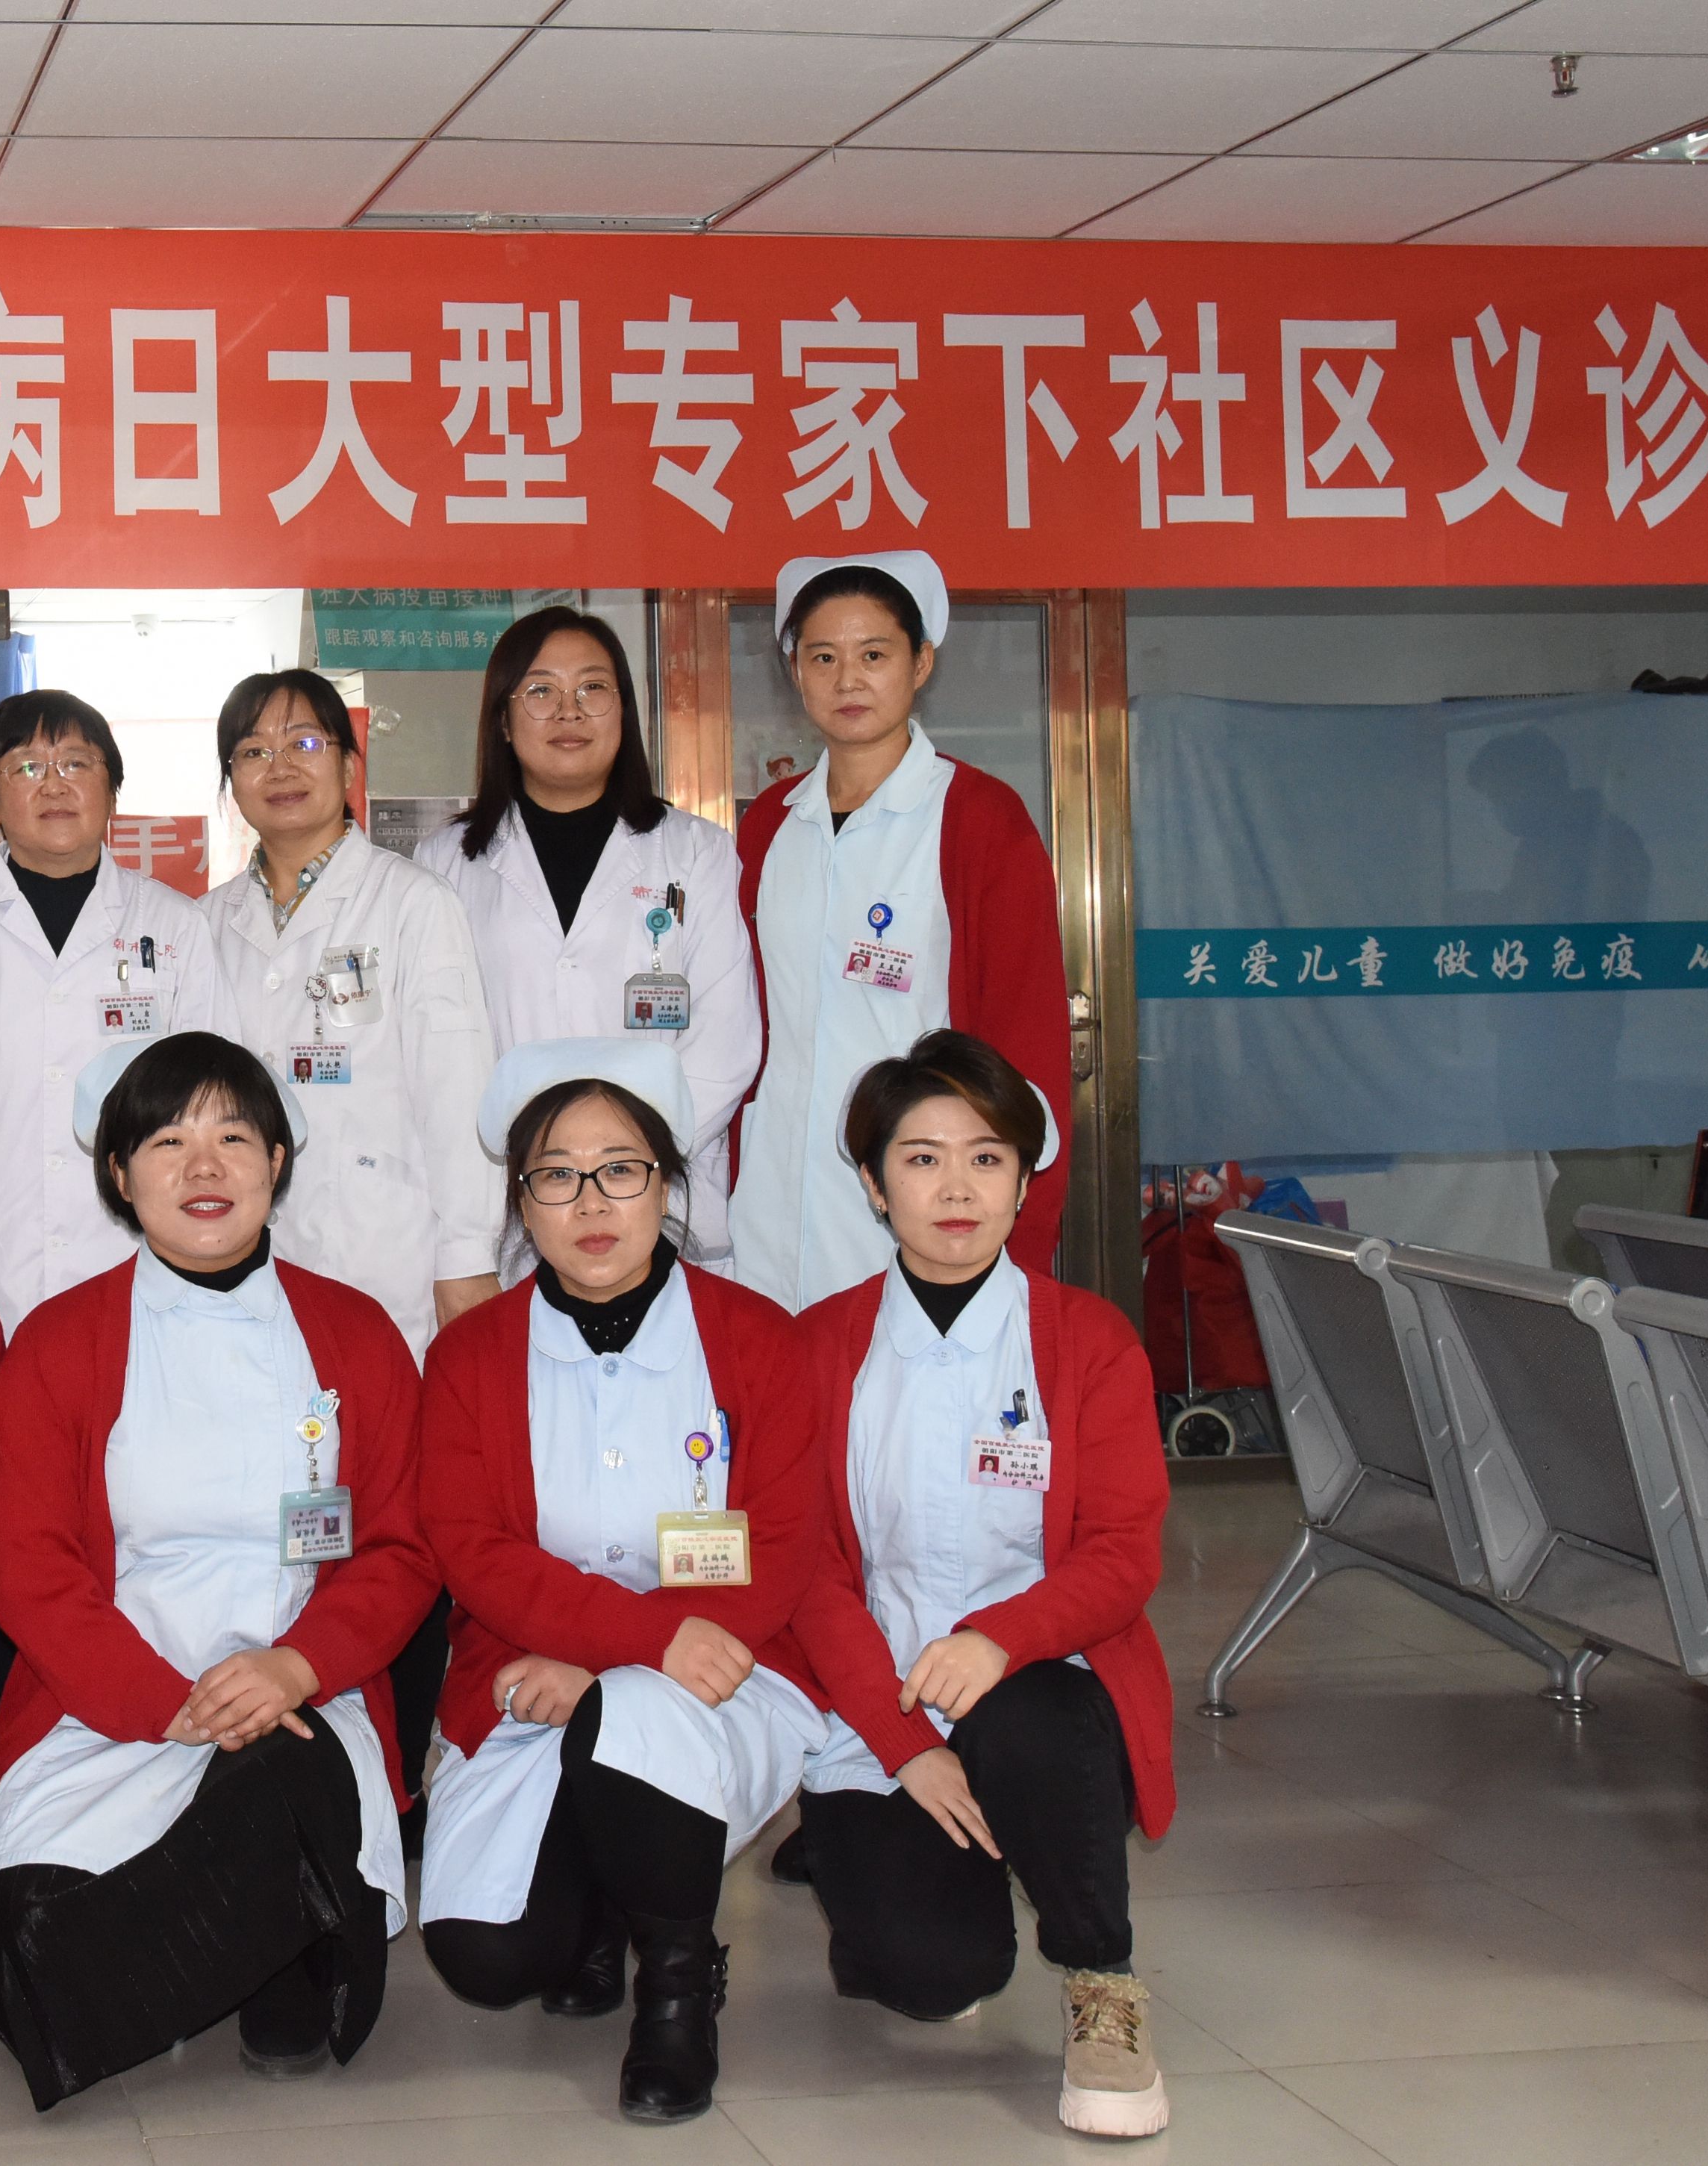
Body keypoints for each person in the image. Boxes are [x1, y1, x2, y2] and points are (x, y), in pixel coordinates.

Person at [0, 1031, 434, 2111]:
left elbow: (403, 1548)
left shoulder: (356, 1334)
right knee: (12, 1955)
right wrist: (161, 1702)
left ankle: (221, 1953)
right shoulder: (57, 1342)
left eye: (233, 1136)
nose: (204, 1166)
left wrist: (293, 1668)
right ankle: (263, 1940)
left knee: (279, 1772)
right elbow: (30, 1570)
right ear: (119, 1174)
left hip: (301, 1700)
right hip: (109, 1706)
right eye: (167, 1142)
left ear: (277, 1159)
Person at [411, 1041, 823, 2126]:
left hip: (722, 1670)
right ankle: (598, 1906)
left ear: (667, 1185)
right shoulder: (470, 1357)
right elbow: (472, 1549)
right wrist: (628, 1643)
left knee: (638, 1718)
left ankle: (677, 1987)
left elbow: (783, 1541)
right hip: (528, 1673)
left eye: (621, 1169)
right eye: (556, 1175)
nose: (591, 1202)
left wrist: (627, 1664)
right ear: (521, 1201)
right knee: (489, 1957)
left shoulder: (758, 1342)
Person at [778, 1028, 1175, 2141]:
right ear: (873, 1185)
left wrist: (1000, 1638)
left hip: (1045, 1686)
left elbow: (1122, 1550)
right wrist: (901, 1739)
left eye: (987, 1158)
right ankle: (918, 1869)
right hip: (879, 1708)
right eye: (921, 1159)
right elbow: (805, 1572)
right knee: (930, 1974)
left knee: (1028, 1716)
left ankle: (1103, 1983)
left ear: (1023, 1182)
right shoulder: (818, 1348)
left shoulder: (1087, 1340)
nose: (956, 1189)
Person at [728, 554, 1069, 1311]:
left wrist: (1019, 1239)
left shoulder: (979, 817)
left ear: (921, 664)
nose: (848, 680)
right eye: (823, 657)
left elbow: (1026, 1036)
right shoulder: (771, 823)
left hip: (924, 1201)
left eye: (874, 655)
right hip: (772, 1198)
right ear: (795, 671)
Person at [416, 609, 759, 1269]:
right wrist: (551, 1171)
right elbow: (441, 1055)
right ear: (503, 720)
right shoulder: (446, 862)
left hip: (664, 1204)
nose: (569, 710)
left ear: (624, 710)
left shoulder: (697, 852)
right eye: (541, 690)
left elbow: (726, 1043)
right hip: (511, 1206)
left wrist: (623, 1166)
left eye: (593, 688)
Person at [0, 688, 218, 1328]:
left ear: (112, 791)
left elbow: (211, 1113)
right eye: (27, 766)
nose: (54, 784)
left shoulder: (176, 927)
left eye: (76, 762)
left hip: (140, 1260)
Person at [200, 667, 500, 1354]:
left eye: (305, 743)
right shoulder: (205, 923)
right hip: (236, 1257)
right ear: (231, 781)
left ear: (348, 763)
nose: (280, 767)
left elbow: (458, 1092)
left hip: (384, 1252)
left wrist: (466, 1254)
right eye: (253, 751)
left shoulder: (414, 903)